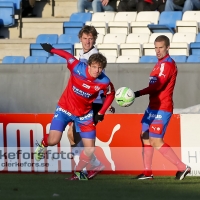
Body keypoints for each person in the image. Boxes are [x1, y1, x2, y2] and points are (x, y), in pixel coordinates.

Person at [34, 44, 115, 181]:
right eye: (94, 67)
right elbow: (67, 56)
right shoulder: (77, 67)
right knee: (53, 140)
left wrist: (101, 112)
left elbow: (111, 94)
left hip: (84, 115)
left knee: (90, 150)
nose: (97, 70)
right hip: (64, 109)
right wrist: (52, 50)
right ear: (88, 65)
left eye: (100, 68)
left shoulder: (104, 81)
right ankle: (43, 144)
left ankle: (77, 173)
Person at [133, 35, 191, 180]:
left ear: (167, 47)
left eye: (161, 47)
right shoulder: (158, 64)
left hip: (162, 107)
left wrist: (137, 93)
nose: (158, 51)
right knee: (144, 136)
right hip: (152, 107)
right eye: (156, 47)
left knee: (155, 140)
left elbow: (158, 86)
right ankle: (147, 172)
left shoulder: (168, 64)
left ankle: (182, 167)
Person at [67, 25, 115, 180]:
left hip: (92, 103)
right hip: (83, 102)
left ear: (95, 40)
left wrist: (105, 102)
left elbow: (102, 81)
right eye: (85, 38)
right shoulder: (83, 54)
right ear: (80, 39)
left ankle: (82, 171)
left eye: (91, 38)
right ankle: (89, 167)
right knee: (73, 136)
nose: (88, 41)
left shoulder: (94, 57)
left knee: (80, 138)